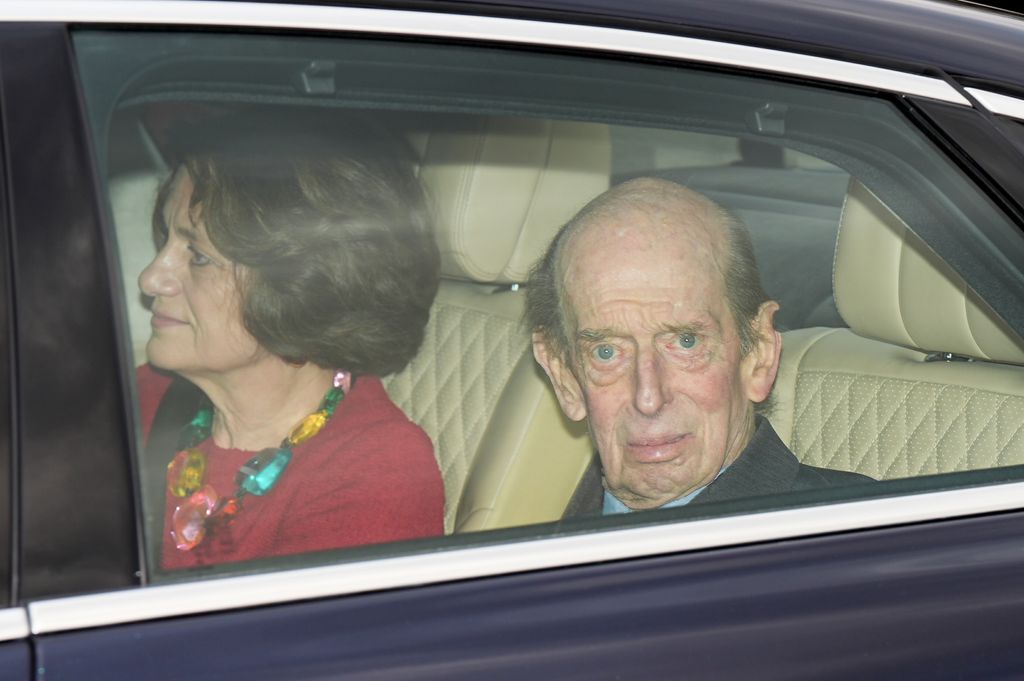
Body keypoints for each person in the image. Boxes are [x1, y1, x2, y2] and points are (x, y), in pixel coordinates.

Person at [136, 109, 444, 569]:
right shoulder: (147, 395)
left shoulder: (375, 474)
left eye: (197, 256)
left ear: (302, 286)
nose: (150, 279)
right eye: (166, 241)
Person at [526, 177, 869, 517]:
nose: (648, 398)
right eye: (607, 352)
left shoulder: (853, 536)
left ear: (759, 354)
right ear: (563, 377)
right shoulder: (535, 531)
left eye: (685, 342)